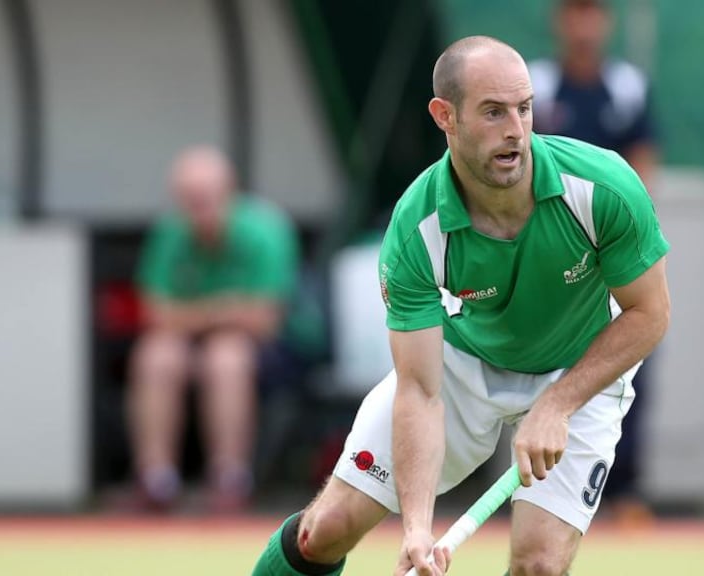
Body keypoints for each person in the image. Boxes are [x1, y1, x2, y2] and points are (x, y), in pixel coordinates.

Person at [252, 35, 669, 576]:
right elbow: (421, 391)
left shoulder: (604, 187)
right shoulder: (415, 230)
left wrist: (558, 403)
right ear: (444, 116)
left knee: (539, 566)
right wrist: (417, 531)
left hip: (579, 366)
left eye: (523, 109)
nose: (516, 131)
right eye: (493, 112)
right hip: (461, 365)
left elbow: (650, 313)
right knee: (322, 533)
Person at [529, 0, 660, 525]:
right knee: (531, 366)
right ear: (559, 21)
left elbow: (645, 172)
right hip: (546, 257)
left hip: (611, 259)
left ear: (606, 23)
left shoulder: (629, 88)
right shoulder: (535, 86)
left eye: (593, 13)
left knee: (632, 363)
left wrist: (624, 246)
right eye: (573, 12)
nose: (583, 26)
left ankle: (627, 493)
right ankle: (530, 491)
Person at [128, 146, 299, 513]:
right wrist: (224, 308)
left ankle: (229, 479)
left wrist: (192, 315)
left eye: (206, 197)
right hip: (187, 342)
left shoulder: (266, 230)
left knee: (225, 356)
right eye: (189, 199)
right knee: (155, 355)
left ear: (230, 192)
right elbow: (153, 314)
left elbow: (264, 319)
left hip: (267, 350)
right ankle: (156, 480)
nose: (198, 208)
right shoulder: (170, 232)